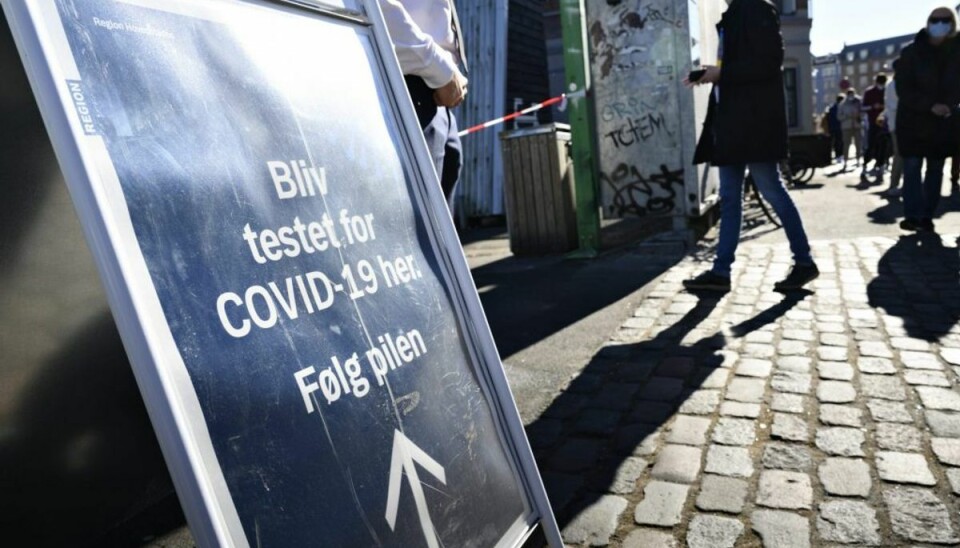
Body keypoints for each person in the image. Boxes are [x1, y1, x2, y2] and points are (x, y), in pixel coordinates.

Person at [682, 0, 818, 293]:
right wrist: (713, 72)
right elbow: (741, 65)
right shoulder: (735, 14)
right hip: (734, 124)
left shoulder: (757, 9)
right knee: (731, 199)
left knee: (772, 190)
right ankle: (721, 272)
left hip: (752, 125)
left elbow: (768, 64)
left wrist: (721, 74)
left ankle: (804, 262)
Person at [380, 0, 468, 201]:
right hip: (408, 83)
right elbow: (376, 8)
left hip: (435, 91)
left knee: (438, 222)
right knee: (418, 219)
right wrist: (437, 67)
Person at [896, 6, 960, 232]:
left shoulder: (956, 52)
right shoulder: (912, 52)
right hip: (914, 121)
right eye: (935, 19)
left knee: (935, 170)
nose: (940, 24)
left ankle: (926, 216)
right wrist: (929, 105)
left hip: (943, 123)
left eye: (945, 20)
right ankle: (912, 215)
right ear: (928, 22)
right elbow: (904, 88)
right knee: (912, 169)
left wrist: (950, 106)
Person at [879, 76, 904, 197]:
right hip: (900, 125)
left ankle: (898, 184)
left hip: (897, 125)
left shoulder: (890, 85)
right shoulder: (894, 85)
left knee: (902, 155)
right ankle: (894, 184)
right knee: (900, 155)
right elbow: (894, 106)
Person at [861, 74, 888, 177]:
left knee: (883, 146)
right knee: (871, 145)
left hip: (885, 124)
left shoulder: (887, 91)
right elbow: (863, 107)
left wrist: (883, 106)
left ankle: (880, 165)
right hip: (873, 123)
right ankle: (865, 164)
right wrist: (872, 107)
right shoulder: (869, 92)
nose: (881, 85)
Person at [838, 89, 864, 170]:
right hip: (846, 127)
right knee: (846, 144)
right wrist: (847, 116)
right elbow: (839, 116)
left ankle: (858, 160)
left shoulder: (859, 102)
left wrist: (859, 116)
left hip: (857, 126)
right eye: (850, 94)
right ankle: (845, 161)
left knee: (858, 144)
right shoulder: (842, 104)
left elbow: (863, 112)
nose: (851, 96)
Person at [826, 95, 845, 162]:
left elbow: (828, 119)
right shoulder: (840, 108)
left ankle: (837, 155)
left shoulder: (831, 108)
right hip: (839, 127)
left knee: (836, 142)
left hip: (833, 128)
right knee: (840, 142)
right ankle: (840, 155)